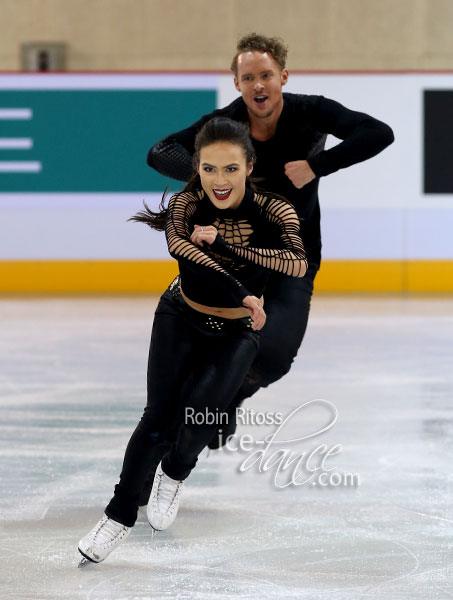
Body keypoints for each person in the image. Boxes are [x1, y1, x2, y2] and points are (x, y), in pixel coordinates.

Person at [139, 32, 395, 500]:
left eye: (266, 76)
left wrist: (321, 165)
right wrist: (216, 171)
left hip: (295, 260)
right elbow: (160, 151)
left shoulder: (310, 111)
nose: (258, 86)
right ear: (236, 82)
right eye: (248, 77)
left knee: (275, 356)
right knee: (205, 360)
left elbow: (379, 133)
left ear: (283, 77)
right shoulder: (226, 125)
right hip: (234, 264)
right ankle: (185, 437)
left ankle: (230, 398)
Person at [77, 116, 307, 565]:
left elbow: (297, 264)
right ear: (197, 168)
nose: (219, 181)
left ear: (249, 166)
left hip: (238, 332)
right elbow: (185, 253)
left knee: (200, 419)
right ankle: (118, 516)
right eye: (208, 169)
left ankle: (175, 473)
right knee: (158, 419)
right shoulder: (187, 204)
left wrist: (229, 244)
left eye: (230, 169)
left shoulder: (276, 210)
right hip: (180, 316)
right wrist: (242, 290)